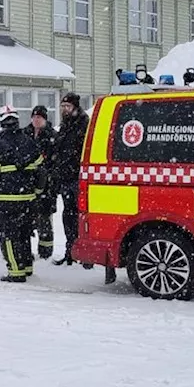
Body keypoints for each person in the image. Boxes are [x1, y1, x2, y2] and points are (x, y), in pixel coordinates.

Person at [0, 105, 41, 282]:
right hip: (28, 200)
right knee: (25, 234)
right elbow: (42, 172)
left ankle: (15, 272)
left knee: (10, 236)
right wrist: (38, 190)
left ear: (1, 124)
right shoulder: (30, 143)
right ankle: (26, 267)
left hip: (9, 201)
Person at [51, 93, 114, 283]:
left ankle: (86, 256)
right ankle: (70, 251)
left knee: (81, 217)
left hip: (79, 178)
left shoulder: (84, 125)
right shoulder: (64, 126)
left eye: (68, 106)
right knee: (68, 216)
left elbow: (81, 150)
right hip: (65, 178)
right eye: (63, 106)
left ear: (76, 107)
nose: (64, 110)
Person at [26, 105, 58, 259]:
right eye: (34, 117)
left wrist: (47, 174)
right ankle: (26, 250)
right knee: (26, 219)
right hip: (27, 185)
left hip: (47, 186)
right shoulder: (25, 134)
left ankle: (45, 252)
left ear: (45, 119)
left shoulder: (52, 136)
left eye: (39, 117)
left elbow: (55, 160)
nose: (36, 120)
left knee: (44, 219)